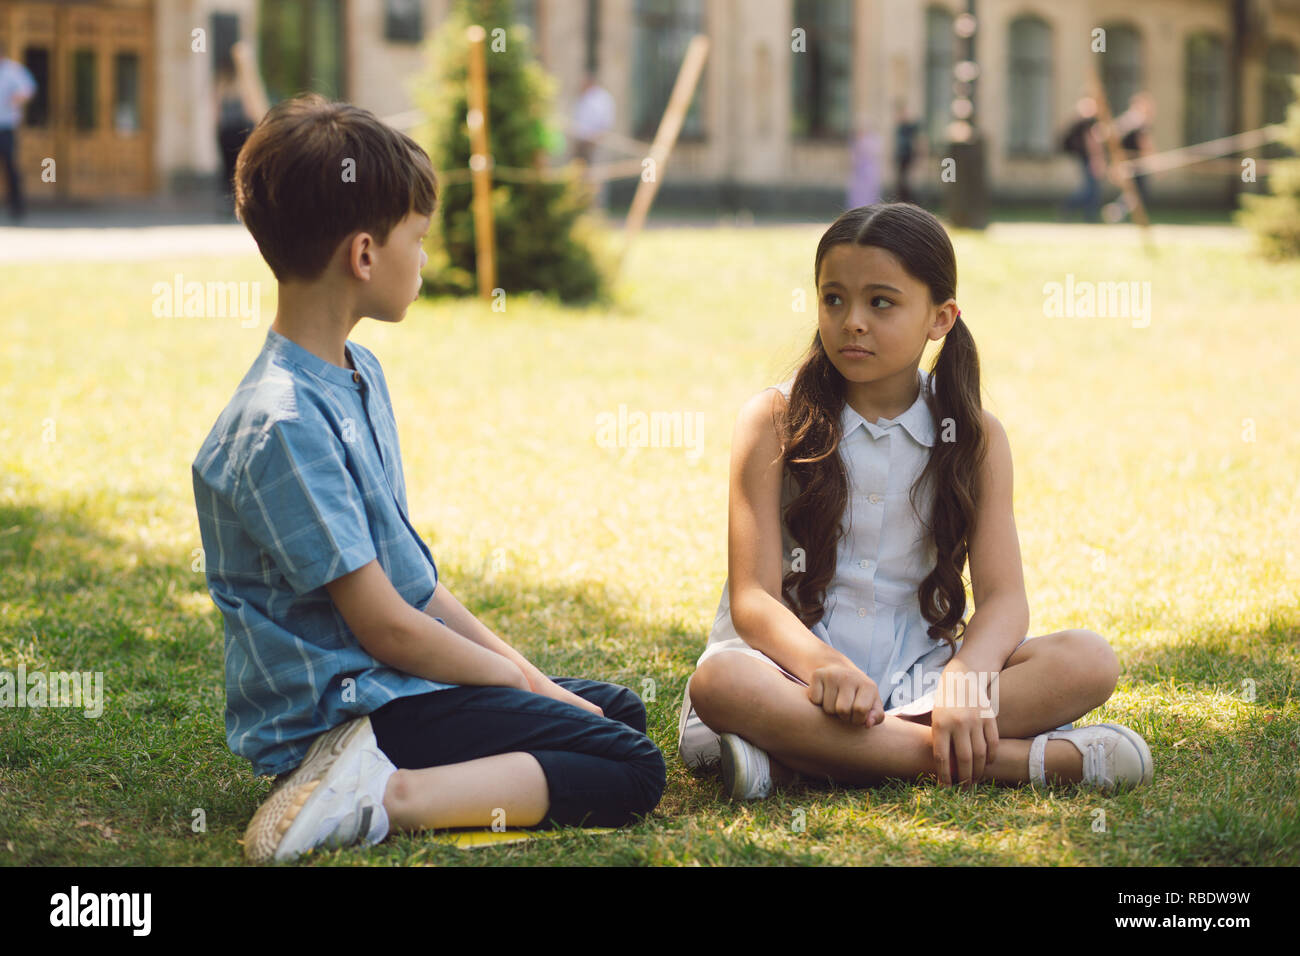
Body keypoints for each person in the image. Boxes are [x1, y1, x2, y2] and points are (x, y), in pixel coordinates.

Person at [191, 93, 665, 863]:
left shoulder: (355, 373)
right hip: (341, 714)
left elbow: (418, 590)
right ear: (365, 255)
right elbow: (390, 627)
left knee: (619, 712)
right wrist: (529, 691)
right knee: (632, 767)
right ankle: (379, 796)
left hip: (391, 687)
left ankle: (398, 773)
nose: (427, 255)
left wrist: (530, 679)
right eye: (419, 237)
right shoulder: (283, 424)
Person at [677, 202, 1153, 800]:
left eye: (881, 302)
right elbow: (752, 600)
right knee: (720, 682)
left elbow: (1005, 600)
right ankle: (1020, 764)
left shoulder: (976, 437)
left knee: (1088, 660)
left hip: (920, 682)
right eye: (833, 299)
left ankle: (797, 760)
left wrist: (966, 679)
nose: (852, 321)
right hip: (788, 675)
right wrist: (826, 668)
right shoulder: (772, 420)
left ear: (940, 317)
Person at [213, 40, 268, 218]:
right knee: (236, 170)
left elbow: (216, 108)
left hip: (232, 131)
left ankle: (234, 206)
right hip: (236, 132)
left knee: (234, 171)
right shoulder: (234, 80)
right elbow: (255, 107)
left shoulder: (230, 80)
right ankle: (236, 206)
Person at [0, 51, 37, 223]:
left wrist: (16, 99)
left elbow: (28, 89)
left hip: (6, 126)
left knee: (10, 166)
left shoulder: (13, 70)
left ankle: (17, 206)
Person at [571, 72, 615, 210]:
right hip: (582, 142)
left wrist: (596, 138)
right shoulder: (583, 98)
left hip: (595, 143)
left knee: (596, 174)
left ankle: (596, 207)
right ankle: (581, 205)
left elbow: (605, 122)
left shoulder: (601, 98)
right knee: (581, 174)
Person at [1060, 96, 1105, 222]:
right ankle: (1071, 207)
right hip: (1089, 158)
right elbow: (1092, 143)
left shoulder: (1082, 121)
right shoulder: (1089, 122)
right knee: (1091, 189)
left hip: (1085, 158)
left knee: (1092, 188)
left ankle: (1089, 215)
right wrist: (1096, 160)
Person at [846, 113, 882, 210]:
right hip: (859, 171)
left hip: (868, 170)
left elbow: (873, 153)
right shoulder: (856, 140)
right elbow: (853, 156)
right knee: (858, 193)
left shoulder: (872, 140)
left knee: (869, 193)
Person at [891, 101, 923, 206]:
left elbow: (918, 142)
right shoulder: (899, 127)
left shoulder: (911, 127)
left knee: (906, 182)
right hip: (901, 157)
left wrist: (918, 157)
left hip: (909, 157)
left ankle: (910, 203)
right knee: (900, 182)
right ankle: (902, 202)